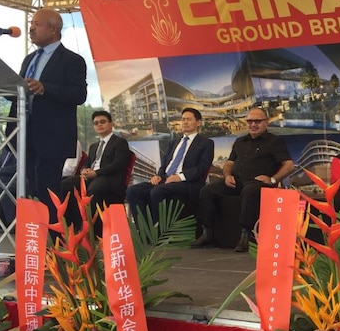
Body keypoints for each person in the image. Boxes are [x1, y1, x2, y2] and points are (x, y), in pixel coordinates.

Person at [13, 8, 87, 221]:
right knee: (31, 186)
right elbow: (18, 91)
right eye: (32, 23)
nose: (31, 28)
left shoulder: (72, 60)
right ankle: (36, 237)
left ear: (53, 29)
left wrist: (45, 88)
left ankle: (57, 241)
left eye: (37, 24)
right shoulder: (29, 60)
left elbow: (79, 94)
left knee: (47, 187)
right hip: (25, 133)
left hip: (53, 136)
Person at [191, 107, 294, 253]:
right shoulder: (240, 141)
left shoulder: (274, 141)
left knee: (250, 190)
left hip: (259, 184)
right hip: (237, 181)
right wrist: (227, 176)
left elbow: (289, 165)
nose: (253, 124)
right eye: (250, 121)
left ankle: (246, 235)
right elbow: (229, 164)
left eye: (257, 121)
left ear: (266, 122)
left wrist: (272, 179)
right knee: (208, 190)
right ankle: (207, 233)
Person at [126, 107, 214, 225]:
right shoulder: (174, 142)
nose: (185, 122)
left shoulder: (206, 143)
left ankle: (161, 232)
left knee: (157, 191)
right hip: (166, 179)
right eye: (183, 119)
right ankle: (145, 233)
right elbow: (165, 164)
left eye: (189, 119)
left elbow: (202, 168)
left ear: (198, 123)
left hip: (188, 183)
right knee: (133, 190)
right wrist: (158, 175)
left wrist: (179, 177)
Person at [59, 111, 131, 225]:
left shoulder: (120, 142)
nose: (99, 125)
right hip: (92, 177)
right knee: (65, 185)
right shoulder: (93, 146)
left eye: (103, 122)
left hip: (109, 179)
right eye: (96, 123)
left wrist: (96, 173)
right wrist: (84, 170)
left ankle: (94, 231)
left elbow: (118, 164)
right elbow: (86, 163)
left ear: (111, 124)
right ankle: (74, 226)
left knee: (94, 189)